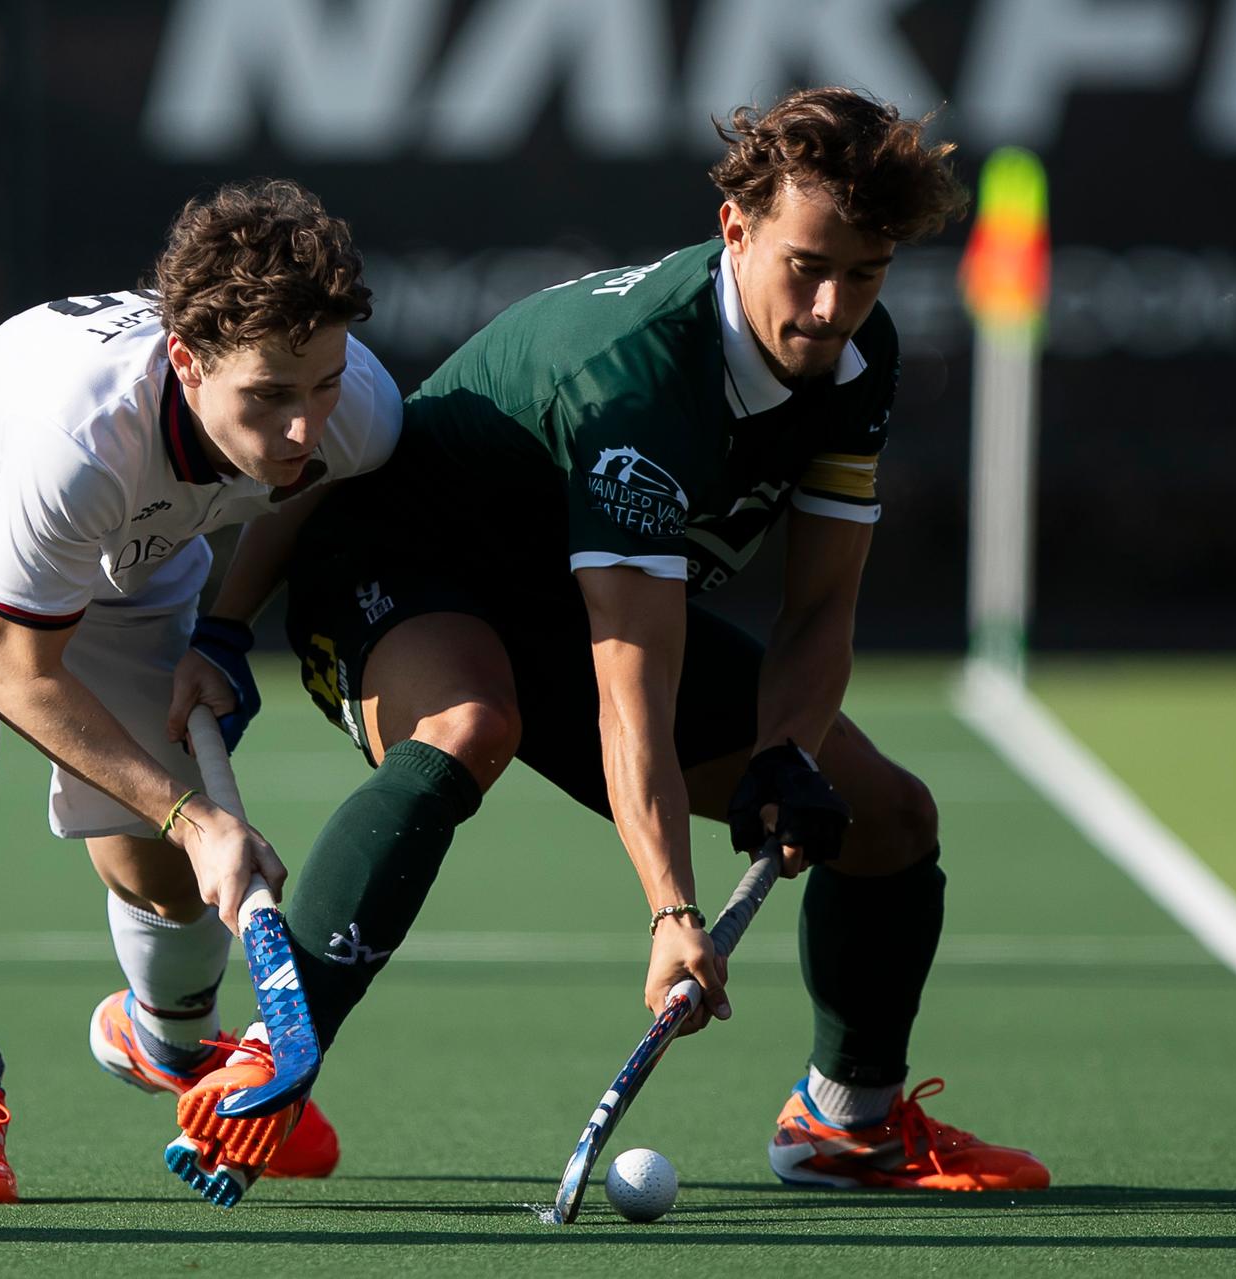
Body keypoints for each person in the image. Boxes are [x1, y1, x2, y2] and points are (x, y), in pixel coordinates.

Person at [177, 87, 1049, 1195]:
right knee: (470, 725)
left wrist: (788, 751)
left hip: (567, 604)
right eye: (807, 266)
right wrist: (672, 910)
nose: (832, 307)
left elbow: (821, 607)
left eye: (865, 273)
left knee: (886, 816)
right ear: (736, 230)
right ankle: (274, 1056)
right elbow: (632, 675)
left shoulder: (857, 360)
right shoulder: (637, 375)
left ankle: (846, 1125)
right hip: (394, 566)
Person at [0, 179, 401, 1204]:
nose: (304, 425)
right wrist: (197, 817)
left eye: (322, 386)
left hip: (134, 565)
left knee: (160, 879)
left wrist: (224, 629)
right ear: (188, 359)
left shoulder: (355, 409)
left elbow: (313, 489)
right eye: (269, 396)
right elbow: (14, 671)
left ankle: (170, 1046)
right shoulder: (87, 434)